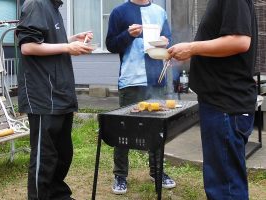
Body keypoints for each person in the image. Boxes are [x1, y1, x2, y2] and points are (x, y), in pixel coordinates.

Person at [168, 0, 258, 199]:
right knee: (223, 181)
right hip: (218, 103)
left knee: (225, 189)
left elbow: (240, 40)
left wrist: (192, 48)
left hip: (225, 104)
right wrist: (190, 54)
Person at [16, 0, 94, 199]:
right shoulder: (36, 3)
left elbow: (46, 41)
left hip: (60, 94)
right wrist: (68, 47)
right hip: (43, 96)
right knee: (45, 157)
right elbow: (28, 46)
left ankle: (58, 195)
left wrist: (71, 40)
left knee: (62, 154)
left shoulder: (53, 6)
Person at [106, 0, 176, 195]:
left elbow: (168, 38)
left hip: (156, 80)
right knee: (123, 129)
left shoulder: (159, 12)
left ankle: (158, 172)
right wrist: (128, 35)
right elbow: (111, 44)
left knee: (157, 130)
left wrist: (165, 41)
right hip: (130, 79)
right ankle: (120, 175)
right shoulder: (119, 12)